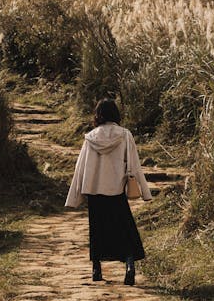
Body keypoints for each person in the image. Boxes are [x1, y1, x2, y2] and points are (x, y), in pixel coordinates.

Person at [65, 98, 152, 285]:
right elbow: (134, 165)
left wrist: (74, 197)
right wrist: (145, 192)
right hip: (116, 190)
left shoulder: (90, 137)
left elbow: (80, 168)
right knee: (125, 229)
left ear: (98, 115)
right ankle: (129, 266)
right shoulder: (125, 135)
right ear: (116, 114)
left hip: (94, 191)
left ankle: (96, 269)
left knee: (97, 231)